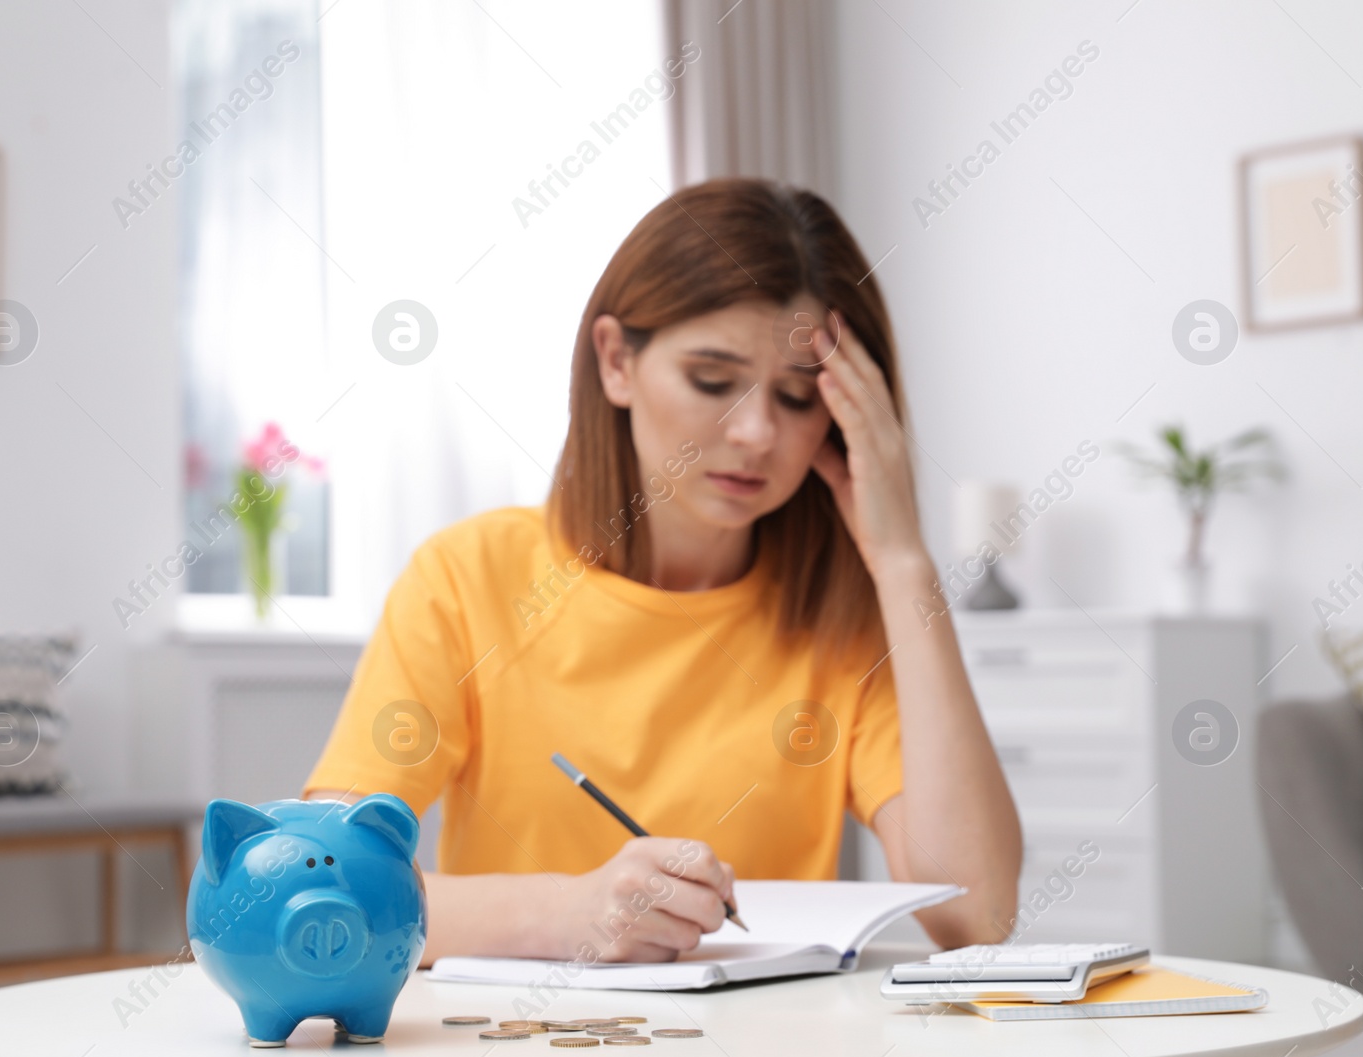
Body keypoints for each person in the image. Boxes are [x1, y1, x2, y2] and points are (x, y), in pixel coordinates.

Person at [304, 177, 1021, 965]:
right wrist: (566, 914)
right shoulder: (466, 578)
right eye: (713, 380)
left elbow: (977, 912)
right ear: (616, 360)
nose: (755, 432)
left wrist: (903, 561)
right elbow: (331, 882)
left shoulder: (843, 615)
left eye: (796, 395)